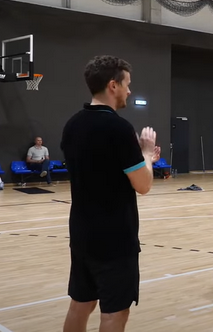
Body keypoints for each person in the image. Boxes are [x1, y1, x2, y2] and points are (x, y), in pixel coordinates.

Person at [61, 55, 160, 332]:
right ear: (113, 85)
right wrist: (146, 154)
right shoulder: (118, 128)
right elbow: (143, 185)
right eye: (127, 84)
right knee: (115, 313)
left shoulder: (72, 125)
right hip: (114, 238)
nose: (130, 90)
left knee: (81, 304)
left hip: (81, 232)